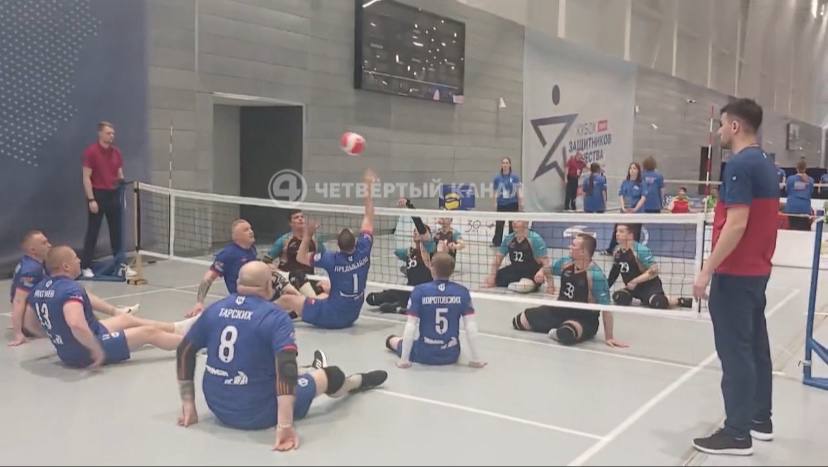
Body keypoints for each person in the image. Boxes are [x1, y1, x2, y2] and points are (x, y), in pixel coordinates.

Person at [175, 261, 387, 451]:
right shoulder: (275, 317)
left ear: (238, 283)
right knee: (331, 375)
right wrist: (285, 425)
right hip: (259, 411)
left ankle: (313, 373)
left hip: (218, 407)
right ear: (269, 285)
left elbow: (184, 350)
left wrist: (188, 404)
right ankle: (357, 381)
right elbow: (286, 368)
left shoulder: (214, 310)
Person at [692, 98, 779, 455]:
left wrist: (706, 269)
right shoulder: (766, 163)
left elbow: (737, 224)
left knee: (735, 352)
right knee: (756, 347)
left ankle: (737, 433)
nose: (718, 131)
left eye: (722, 124)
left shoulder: (740, 165)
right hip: (757, 271)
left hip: (736, 273)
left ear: (735, 126)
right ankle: (759, 419)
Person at [27, 246, 195, 368]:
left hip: (67, 349)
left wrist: (56, 336)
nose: (79, 260)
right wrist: (95, 348)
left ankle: (176, 328)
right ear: (66, 266)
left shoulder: (39, 289)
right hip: (84, 349)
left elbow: (29, 323)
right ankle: (196, 343)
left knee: (125, 319)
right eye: (75, 258)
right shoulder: (70, 290)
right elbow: (76, 324)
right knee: (148, 333)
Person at [276, 170, 376, 329]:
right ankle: (301, 310)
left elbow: (301, 258)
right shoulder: (364, 248)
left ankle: (260, 314)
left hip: (332, 316)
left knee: (287, 299)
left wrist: (307, 236)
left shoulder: (331, 259)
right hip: (352, 314)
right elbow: (369, 217)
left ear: (338, 245)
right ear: (355, 241)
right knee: (324, 288)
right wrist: (368, 186)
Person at [8, 231, 138, 347]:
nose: (49, 245)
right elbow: (18, 301)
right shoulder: (31, 269)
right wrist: (18, 333)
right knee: (74, 294)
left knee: (74, 295)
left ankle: (113, 315)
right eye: (44, 243)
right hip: (32, 319)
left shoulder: (35, 263)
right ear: (33, 250)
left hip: (42, 309)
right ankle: (114, 319)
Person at [511, 233, 627, 348]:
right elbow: (548, 268)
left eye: (573, 245)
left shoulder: (595, 276)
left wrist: (609, 337)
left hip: (583, 318)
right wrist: (541, 273)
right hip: (559, 311)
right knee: (519, 321)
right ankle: (556, 326)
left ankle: (556, 332)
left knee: (566, 334)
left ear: (583, 252)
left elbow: (606, 309)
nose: (569, 246)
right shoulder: (566, 262)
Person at [386, 252, 485, 368]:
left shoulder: (420, 291)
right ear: (452, 270)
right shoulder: (462, 292)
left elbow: (410, 326)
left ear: (432, 268)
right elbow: (470, 326)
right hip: (451, 355)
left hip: (424, 354)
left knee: (391, 340)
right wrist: (476, 360)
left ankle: (400, 343)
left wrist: (404, 360)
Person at [80, 121, 134, 279]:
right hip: (98, 195)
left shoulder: (116, 152)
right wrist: (91, 199)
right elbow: (86, 177)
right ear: (100, 134)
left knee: (117, 233)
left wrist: (122, 183)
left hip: (113, 195)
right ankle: (86, 266)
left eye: (113, 133)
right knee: (93, 232)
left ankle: (121, 266)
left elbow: (119, 173)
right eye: (108, 133)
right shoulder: (91, 152)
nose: (111, 136)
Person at [607, 224, 693, 309]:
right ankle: (640, 298)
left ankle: (679, 300)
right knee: (619, 297)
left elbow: (654, 271)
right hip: (632, 288)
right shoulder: (617, 251)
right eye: (617, 231)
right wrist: (605, 289)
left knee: (658, 302)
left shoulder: (640, 250)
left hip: (649, 287)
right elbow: (614, 272)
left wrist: (635, 281)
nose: (617, 234)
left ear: (630, 235)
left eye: (621, 231)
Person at [187, 219, 258, 317]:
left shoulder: (252, 249)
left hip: (257, 296)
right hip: (241, 302)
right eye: (246, 230)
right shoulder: (227, 254)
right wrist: (199, 302)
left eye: (250, 228)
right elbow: (208, 278)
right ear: (236, 236)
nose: (251, 231)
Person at [367, 225, 435, 314]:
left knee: (416, 301)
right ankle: (401, 305)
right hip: (409, 289)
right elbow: (397, 252)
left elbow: (428, 242)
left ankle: (400, 306)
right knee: (371, 298)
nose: (415, 232)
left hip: (424, 291)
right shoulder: (410, 253)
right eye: (414, 231)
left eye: (418, 231)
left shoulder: (429, 252)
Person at [263, 209, 329, 297]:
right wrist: (278, 272)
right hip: (289, 280)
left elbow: (327, 258)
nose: (300, 219)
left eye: (302, 217)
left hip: (309, 277)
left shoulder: (315, 240)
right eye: (296, 217)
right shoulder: (283, 241)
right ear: (290, 223)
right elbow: (266, 261)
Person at [484, 221, 553, 294]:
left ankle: (517, 284)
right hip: (514, 270)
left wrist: (550, 285)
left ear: (526, 223)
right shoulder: (509, 238)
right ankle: (514, 284)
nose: (514, 222)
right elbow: (498, 259)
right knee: (489, 279)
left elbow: (545, 263)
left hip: (531, 273)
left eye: (518, 220)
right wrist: (492, 277)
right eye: (514, 220)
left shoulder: (535, 239)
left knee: (523, 287)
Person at [605, 162, 645, 255]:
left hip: (637, 214)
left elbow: (643, 198)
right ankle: (610, 250)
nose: (632, 170)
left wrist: (635, 209)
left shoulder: (642, 184)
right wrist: (623, 207)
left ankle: (634, 253)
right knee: (617, 230)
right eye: (631, 168)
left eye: (634, 168)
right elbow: (621, 195)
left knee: (635, 233)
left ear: (638, 171)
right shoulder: (625, 182)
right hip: (624, 212)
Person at [492, 157, 523, 247]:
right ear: (501, 165)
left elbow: (518, 190)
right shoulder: (497, 178)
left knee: (512, 225)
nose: (505, 165)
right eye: (503, 163)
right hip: (501, 204)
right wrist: (495, 203)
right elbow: (495, 192)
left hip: (512, 204)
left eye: (506, 163)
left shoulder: (515, 177)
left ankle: (512, 243)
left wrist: (521, 203)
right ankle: (497, 243)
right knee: (499, 224)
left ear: (510, 165)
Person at [783, 159, 814, 231]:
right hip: (804, 208)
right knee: (803, 229)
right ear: (805, 168)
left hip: (792, 207)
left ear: (796, 168)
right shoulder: (811, 180)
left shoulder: (790, 179)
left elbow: (787, 190)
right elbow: (811, 192)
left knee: (792, 228)